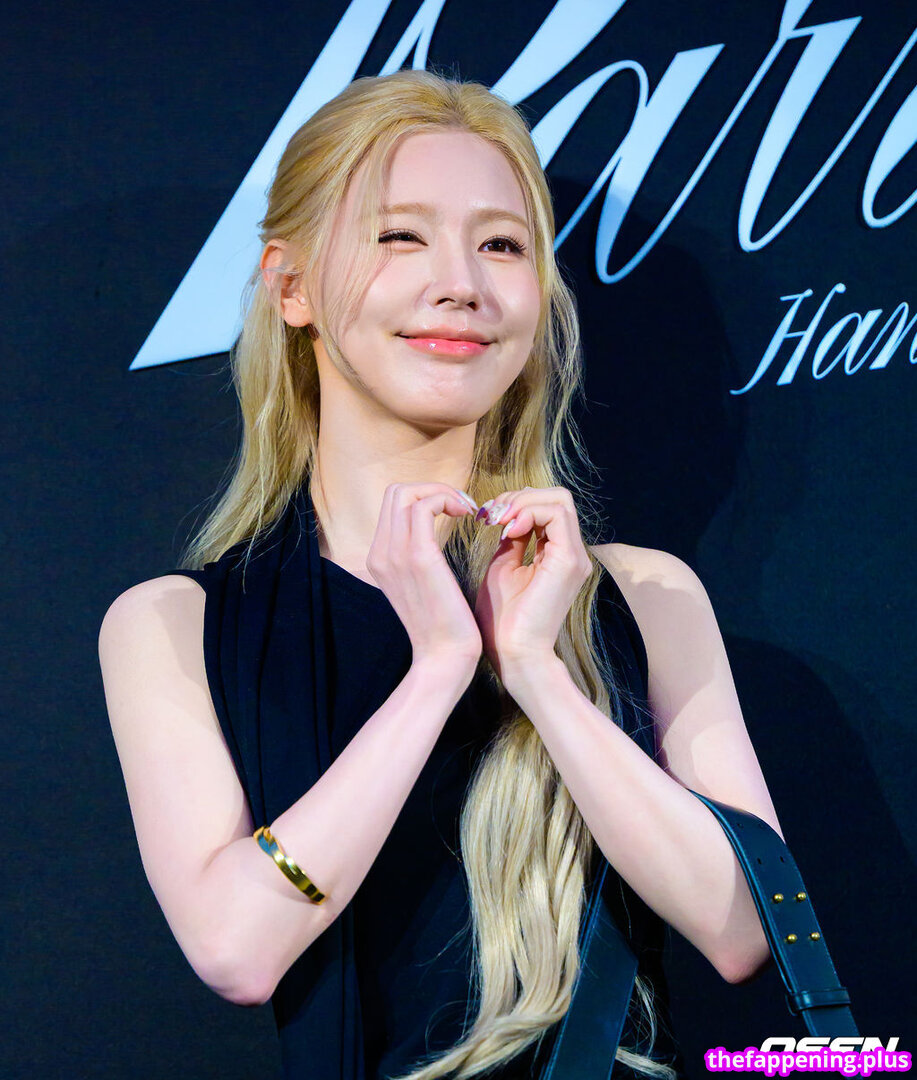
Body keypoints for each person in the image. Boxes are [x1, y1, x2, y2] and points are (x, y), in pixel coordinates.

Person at [99, 69, 782, 1080]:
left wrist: (538, 673)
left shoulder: (644, 596)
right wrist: (436, 671)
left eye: (501, 244)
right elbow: (237, 948)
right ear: (290, 287)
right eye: (399, 236)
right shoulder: (176, 626)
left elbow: (742, 928)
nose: (460, 283)